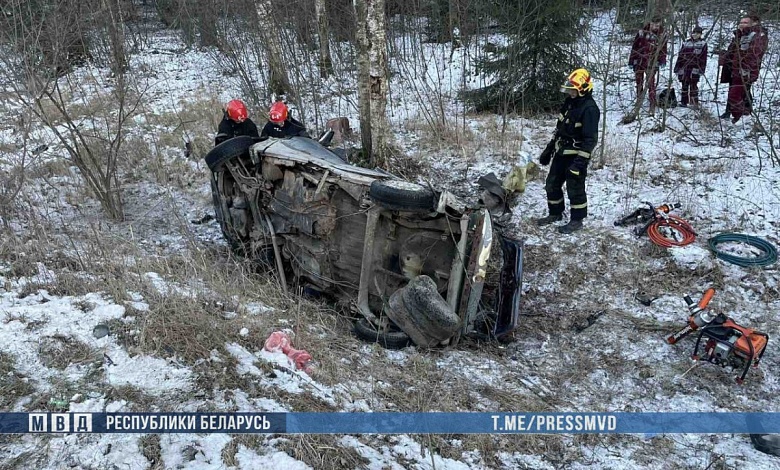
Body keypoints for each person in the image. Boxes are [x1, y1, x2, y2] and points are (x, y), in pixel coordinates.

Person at [536, 68, 600, 234]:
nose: (570, 93)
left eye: (573, 90)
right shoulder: (570, 103)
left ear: (582, 89)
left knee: (575, 189)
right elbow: (560, 128)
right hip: (561, 152)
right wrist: (549, 150)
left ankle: (577, 220)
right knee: (552, 184)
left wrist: (579, 163)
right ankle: (555, 213)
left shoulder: (590, 109)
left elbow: (590, 140)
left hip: (576, 156)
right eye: (569, 89)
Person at [718, 15, 768, 123]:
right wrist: (725, 59)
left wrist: (746, 68)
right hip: (733, 68)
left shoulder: (758, 35)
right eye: (741, 22)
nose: (742, 24)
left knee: (740, 92)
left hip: (745, 70)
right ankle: (731, 112)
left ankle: (743, 114)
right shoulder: (739, 35)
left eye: (746, 22)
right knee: (735, 90)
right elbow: (732, 50)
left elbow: (754, 54)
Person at [629, 18, 668, 116]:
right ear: (650, 23)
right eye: (654, 25)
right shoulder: (642, 33)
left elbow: (663, 50)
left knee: (651, 83)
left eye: (658, 26)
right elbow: (635, 47)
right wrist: (632, 61)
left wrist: (662, 61)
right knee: (639, 82)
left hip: (652, 63)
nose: (656, 27)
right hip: (639, 61)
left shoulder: (662, 35)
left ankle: (652, 103)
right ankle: (639, 100)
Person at [674, 26, 708, 108]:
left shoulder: (703, 44)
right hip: (684, 67)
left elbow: (704, 58)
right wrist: (677, 67)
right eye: (694, 33)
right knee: (684, 84)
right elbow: (680, 56)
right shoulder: (686, 42)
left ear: (700, 34)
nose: (695, 35)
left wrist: (701, 69)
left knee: (693, 85)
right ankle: (684, 102)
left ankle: (694, 102)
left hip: (695, 67)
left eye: (697, 33)